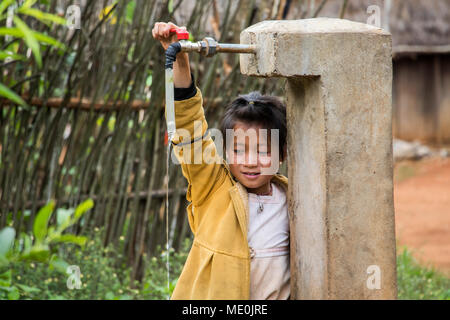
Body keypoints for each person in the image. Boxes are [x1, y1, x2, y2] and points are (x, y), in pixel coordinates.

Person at [152, 22, 289, 300]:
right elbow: (189, 128)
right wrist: (179, 58)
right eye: (239, 150)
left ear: (283, 154)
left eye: (263, 151)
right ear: (226, 153)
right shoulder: (214, 188)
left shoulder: (293, 200)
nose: (251, 162)